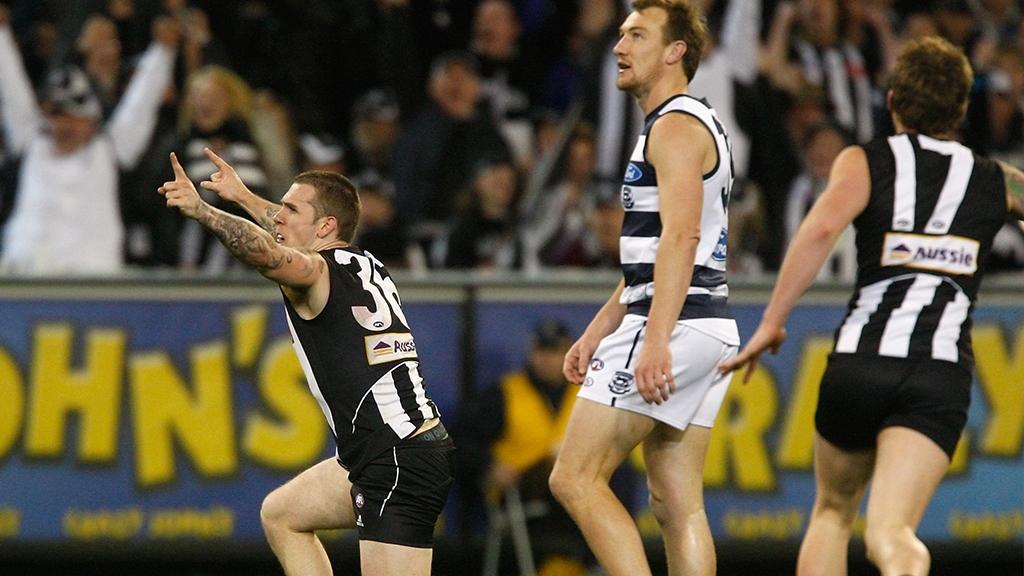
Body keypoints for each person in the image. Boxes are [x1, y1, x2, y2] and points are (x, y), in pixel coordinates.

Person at [720, 36, 1024, 576]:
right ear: (960, 110)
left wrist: (771, 322)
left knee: (833, 512)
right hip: (938, 373)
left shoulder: (864, 161)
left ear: (891, 103)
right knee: (892, 532)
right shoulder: (993, 180)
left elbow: (819, 230)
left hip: (861, 363)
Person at [157, 147, 455, 576]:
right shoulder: (363, 262)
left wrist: (204, 211)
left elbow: (270, 254)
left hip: (395, 459)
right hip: (388, 449)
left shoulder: (316, 271)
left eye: (289, 209)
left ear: (326, 226)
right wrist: (241, 195)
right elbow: (287, 236)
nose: (278, 215)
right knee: (283, 515)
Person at [547, 2, 739, 575]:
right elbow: (654, 254)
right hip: (706, 323)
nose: (619, 46)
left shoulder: (675, 126)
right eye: (621, 33)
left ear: (676, 51)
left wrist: (655, 340)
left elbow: (681, 238)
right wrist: (597, 328)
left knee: (574, 477)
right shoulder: (687, 123)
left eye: (637, 35)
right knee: (677, 505)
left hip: (673, 324)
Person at [0, 6, 177, 275]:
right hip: (28, 284)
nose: (64, 125)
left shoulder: (110, 149)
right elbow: (11, 90)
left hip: (94, 288)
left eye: (72, 116)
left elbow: (139, 106)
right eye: (56, 115)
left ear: (91, 120)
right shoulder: (31, 143)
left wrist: (162, 53)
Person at [460, 319, 587, 575]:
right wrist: (491, 466)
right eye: (541, 351)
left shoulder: (585, 392)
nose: (546, 359)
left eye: (554, 352)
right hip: (524, 487)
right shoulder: (505, 392)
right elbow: (464, 440)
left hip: (577, 487)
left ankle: (596, 564)